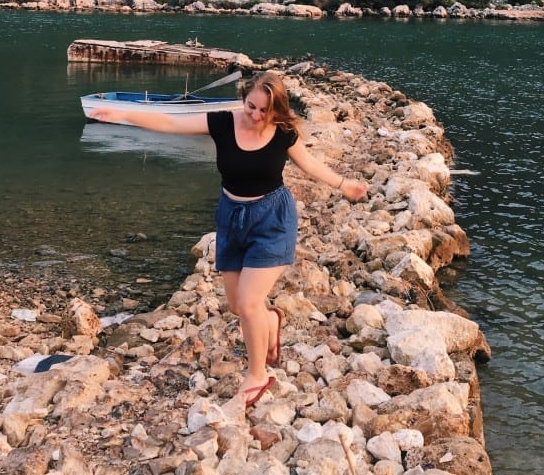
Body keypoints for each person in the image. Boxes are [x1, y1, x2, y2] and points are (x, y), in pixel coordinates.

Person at [90, 70, 367, 407]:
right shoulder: (222, 123)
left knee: (249, 303)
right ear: (244, 98)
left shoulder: (283, 133)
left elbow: (309, 164)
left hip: (272, 219)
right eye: (251, 106)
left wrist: (344, 185)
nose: (255, 115)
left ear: (276, 111)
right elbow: (171, 124)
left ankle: (258, 375)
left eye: (264, 111)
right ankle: (272, 320)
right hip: (231, 217)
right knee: (239, 306)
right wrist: (121, 113)